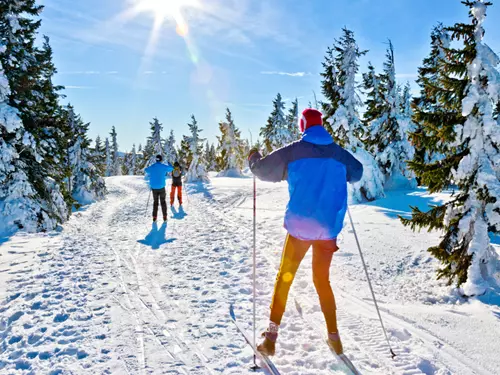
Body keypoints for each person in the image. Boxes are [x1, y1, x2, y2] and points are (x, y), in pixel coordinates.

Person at [248, 108, 363, 356]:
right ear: (321, 126)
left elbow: (262, 170)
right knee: (322, 280)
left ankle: (271, 337)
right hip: (327, 229)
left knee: (285, 277)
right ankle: (334, 337)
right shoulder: (338, 153)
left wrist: (253, 157)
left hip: (300, 228)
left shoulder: (293, 151)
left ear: (303, 126)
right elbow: (358, 173)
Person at [145, 155, 174, 222]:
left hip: (154, 187)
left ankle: (154, 217)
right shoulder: (163, 166)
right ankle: (165, 217)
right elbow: (171, 168)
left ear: (156, 160)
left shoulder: (152, 167)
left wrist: (150, 165)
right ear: (161, 160)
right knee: (163, 202)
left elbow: (146, 170)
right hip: (161, 187)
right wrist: (169, 163)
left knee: (155, 202)